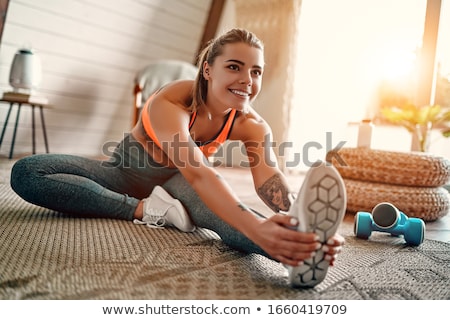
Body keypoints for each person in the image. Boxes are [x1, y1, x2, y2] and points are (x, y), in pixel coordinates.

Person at [10, 28, 345, 287]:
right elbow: (201, 173)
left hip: (177, 183)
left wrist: (298, 223)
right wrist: (256, 226)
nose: (247, 80)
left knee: (221, 215)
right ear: (208, 70)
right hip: (124, 172)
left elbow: (268, 181)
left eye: (256, 71)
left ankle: (289, 255)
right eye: (234, 67)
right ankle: (144, 209)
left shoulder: (252, 124)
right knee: (28, 172)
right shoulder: (171, 101)